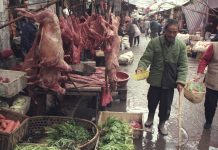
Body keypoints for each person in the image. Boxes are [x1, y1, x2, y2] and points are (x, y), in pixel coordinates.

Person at [135, 19, 188, 136]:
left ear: (178, 32)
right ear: (165, 31)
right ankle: (150, 117)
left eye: (175, 32)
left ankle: (162, 123)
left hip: (169, 82)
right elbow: (146, 58)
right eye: (170, 31)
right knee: (152, 101)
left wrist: (180, 81)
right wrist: (141, 68)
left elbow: (183, 65)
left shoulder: (181, 46)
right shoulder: (154, 43)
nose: (172, 35)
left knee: (166, 106)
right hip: (155, 80)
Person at [194, 42, 218, 129]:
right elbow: (204, 59)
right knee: (210, 104)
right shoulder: (214, 46)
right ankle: (209, 121)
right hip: (213, 82)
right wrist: (200, 72)